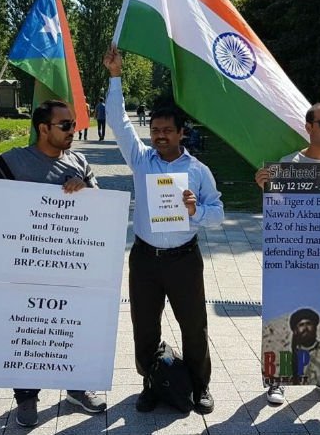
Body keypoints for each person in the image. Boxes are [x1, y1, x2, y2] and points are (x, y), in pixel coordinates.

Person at [0, 100, 106, 427]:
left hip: (70, 266)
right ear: (43, 129)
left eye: (73, 124)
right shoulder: (16, 161)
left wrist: (84, 190)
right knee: (28, 332)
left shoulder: (79, 162)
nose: (73, 130)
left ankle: (77, 388)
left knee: (71, 330)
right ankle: (26, 397)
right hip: (25, 266)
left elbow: (101, 208)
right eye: (65, 125)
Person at [103, 45, 224, 415]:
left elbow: (218, 213)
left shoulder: (198, 170)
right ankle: (151, 384)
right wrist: (116, 76)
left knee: (193, 326)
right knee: (144, 327)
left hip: (184, 260)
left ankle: (200, 386)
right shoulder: (141, 161)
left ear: (181, 133)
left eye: (167, 131)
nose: (159, 136)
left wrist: (195, 210)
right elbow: (119, 122)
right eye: (155, 130)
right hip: (145, 259)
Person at [255, 102, 320, 405]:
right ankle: (279, 379)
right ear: (308, 127)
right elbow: (279, 209)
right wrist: (265, 187)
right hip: (294, 254)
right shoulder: (288, 163)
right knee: (286, 314)